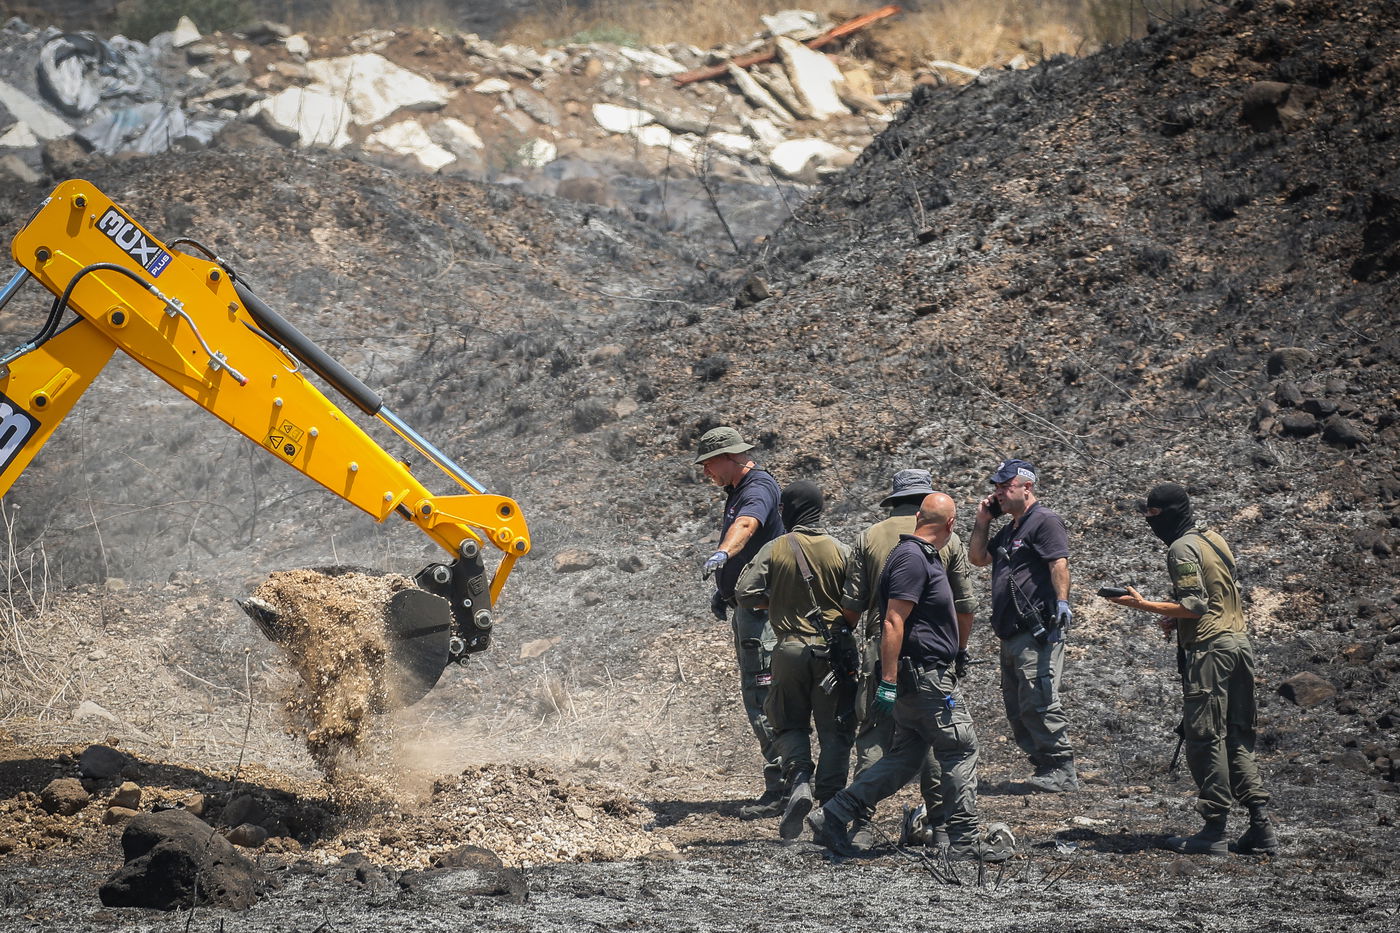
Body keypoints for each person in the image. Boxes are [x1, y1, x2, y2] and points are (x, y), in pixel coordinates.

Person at [806, 494, 1004, 862]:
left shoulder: (913, 555)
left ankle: (833, 814)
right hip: (924, 678)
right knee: (960, 747)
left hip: (919, 677)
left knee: (906, 758)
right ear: (950, 524)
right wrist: (889, 680)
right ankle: (963, 839)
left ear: (917, 517)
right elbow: (892, 621)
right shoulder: (913, 559)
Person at [1102, 483, 1277, 856]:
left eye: (1153, 514)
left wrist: (1143, 605)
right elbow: (1218, 597)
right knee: (1237, 734)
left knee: (1205, 737)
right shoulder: (1213, 538)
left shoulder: (1181, 547)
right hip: (1239, 644)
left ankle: (1214, 830)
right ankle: (1261, 828)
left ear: (1168, 513)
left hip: (1211, 651)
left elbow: (1195, 605)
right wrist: (1175, 621)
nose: (1150, 521)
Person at [839, 469, 977, 850]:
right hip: (929, 655)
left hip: (878, 649)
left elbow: (853, 604)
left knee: (874, 735)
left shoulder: (870, 537)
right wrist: (960, 650)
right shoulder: (948, 540)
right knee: (936, 738)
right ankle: (942, 826)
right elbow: (964, 605)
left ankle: (861, 825)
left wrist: (844, 642)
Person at [735, 480, 855, 839]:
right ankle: (830, 809)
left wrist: (774, 604)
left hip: (787, 650)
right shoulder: (842, 550)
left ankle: (800, 779)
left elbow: (744, 592)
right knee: (835, 732)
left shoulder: (776, 548)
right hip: (831, 653)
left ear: (787, 511)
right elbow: (858, 597)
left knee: (787, 722)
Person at [968, 458, 1079, 793]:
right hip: (1010, 632)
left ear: (1026, 487)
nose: (999, 493)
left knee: (1039, 699)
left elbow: (1058, 561)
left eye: (1005, 487)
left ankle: (1061, 767)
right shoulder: (1009, 528)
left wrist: (1062, 602)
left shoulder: (1043, 521)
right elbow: (977, 558)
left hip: (1037, 630)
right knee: (1017, 706)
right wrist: (982, 520)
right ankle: (1045, 766)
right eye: (997, 488)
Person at [694, 426, 785, 807]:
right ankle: (787, 780)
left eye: (709, 464)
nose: (705, 473)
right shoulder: (738, 490)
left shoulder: (757, 488)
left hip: (762, 614)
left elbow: (747, 526)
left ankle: (784, 785)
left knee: (763, 694)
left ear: (730, 457)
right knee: (761, 694)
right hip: (749, 606)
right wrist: (725, 589)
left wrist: (723, 555)